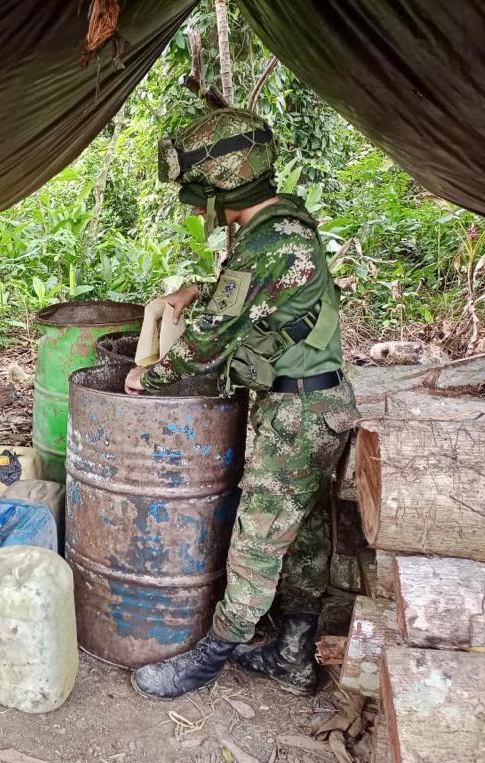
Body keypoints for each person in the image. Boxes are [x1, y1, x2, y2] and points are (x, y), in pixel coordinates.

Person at [126, 108, 360, 699]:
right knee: (303, 536)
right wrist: (198, 288)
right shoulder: (280, 228)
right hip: (319, 405)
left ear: (219, 184)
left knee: (256, 542)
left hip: (298, 416)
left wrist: (147, 380)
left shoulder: (269, 242)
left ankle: (209, 656)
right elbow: (258, 298)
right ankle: (294, 655)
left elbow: (206, 343)